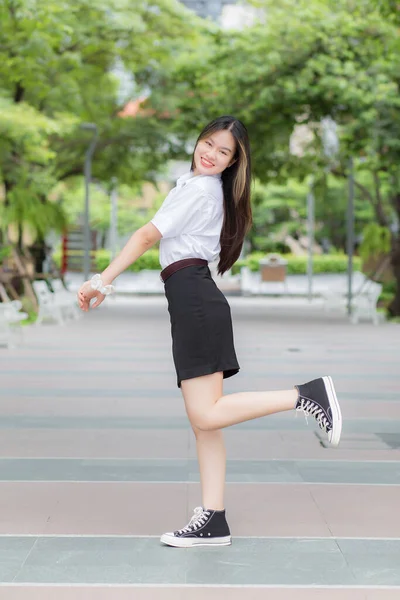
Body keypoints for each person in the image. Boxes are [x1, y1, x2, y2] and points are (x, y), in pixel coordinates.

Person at [77, 115, 342, 549]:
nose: (211, 154)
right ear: (199, 141)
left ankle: (306, 394)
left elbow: (146, 236)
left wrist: (101, 281)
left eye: (224, 152)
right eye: (209, 143)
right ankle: (213, 518)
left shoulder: (199, 189)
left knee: (203, 415)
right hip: (194, 299)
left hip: (195, 301)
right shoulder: (197, 186)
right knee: (206, 423)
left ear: (234, 162)